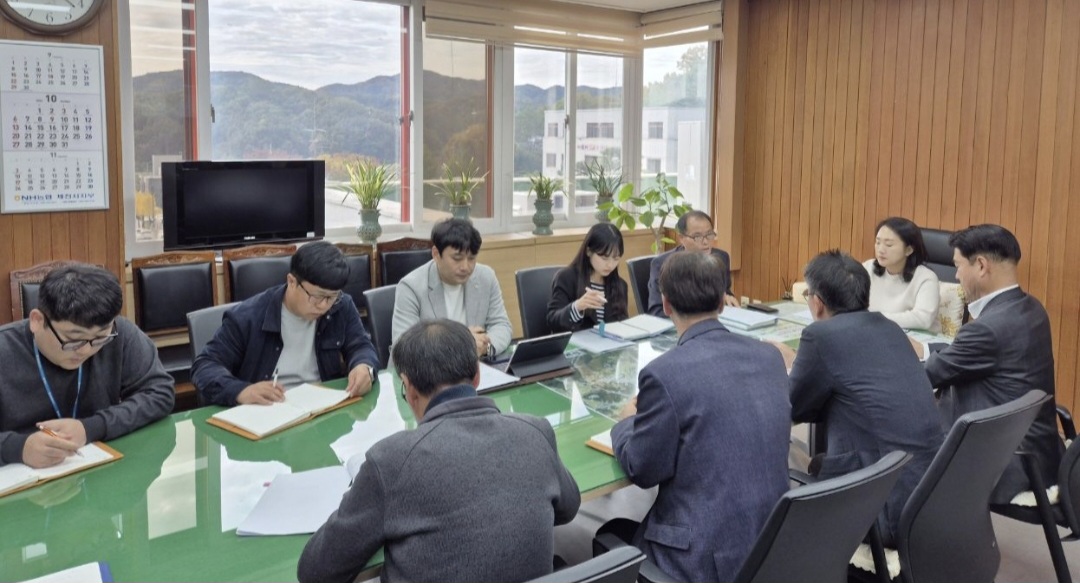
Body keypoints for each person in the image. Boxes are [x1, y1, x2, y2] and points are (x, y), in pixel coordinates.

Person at [297, 319, 580, 583]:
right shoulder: (535, 430)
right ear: (477, 376)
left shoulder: (391, 460)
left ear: (408, 388)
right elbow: (568, 508)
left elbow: (316, 571)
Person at [604, 252, 790, 582]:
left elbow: (643, 468)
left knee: (609, 533)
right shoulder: (769, 357)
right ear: (721, 302)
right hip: (771, 543)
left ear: (666, 304)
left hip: (701, 560)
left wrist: (625, 423)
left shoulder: (664, 374)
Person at [774, 250, 943, 545]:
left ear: (816, 302)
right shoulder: (891, 329)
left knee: (780, 442)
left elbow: (794, 408)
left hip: (876, 510)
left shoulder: (820, 336)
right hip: (926, 496)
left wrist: (789, 366)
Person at [912, 224, 1061, 505]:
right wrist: (929, 348)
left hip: (1003, 463)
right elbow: (976, 357)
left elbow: (925, 378)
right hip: (1035, 451)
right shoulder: (1032, 308)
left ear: (980, 265)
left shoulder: (986, 329)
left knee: (892, 447)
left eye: (957, 266)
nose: (956, 276)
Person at [0, 264, 175, 468]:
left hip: (98, 469)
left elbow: (160, 393)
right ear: (37, 321)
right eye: (73, 340)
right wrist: (18, 448)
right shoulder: (5, 350)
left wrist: (91, 428)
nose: (85, 351)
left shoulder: (120, 333)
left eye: (99, 339)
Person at [192, 241, 378, 407]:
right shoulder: (247, 317)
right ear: (291, 281)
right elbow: (205, 366)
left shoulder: (341, 306)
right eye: (316, 296)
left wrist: (364, 366)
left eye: (331, 297)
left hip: (322, 408)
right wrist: (241, 391)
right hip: (268, 412)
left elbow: (361, 346)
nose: (323, 306)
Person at [392, 218, 512, 359]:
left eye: (472, 258)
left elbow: (502, 325)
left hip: (474, 370)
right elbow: (404, 347)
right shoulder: (411, 287)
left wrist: (486, 347)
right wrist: (462, 344)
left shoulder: (486, 277)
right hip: (426, 375)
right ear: (436, 254)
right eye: (457, 258)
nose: (465, 267)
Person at [646, 210, 737, 316]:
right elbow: (656, 311)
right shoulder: (662, 264)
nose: (705, 242)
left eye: (709, 234)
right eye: (697, 237)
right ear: (682, 238)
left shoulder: (721, 258)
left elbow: (725, 292)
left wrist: (728, 298)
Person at [547, 223, 629, 333]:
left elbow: (621, 327)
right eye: (604, 258)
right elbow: (553, 321)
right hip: (575, 347)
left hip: (607, 347)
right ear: (589, 251)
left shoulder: (620, 285)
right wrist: (577, 307)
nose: (610, 265)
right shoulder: (566, 278)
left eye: (616, 258)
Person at [864, 217, 941, 331]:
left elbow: (923, 318)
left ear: (908, 250)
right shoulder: (868, 268)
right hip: (875, 332)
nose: (880, 249)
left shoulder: (925, 277)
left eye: (889, 245)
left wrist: (875, 318)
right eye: (878, 242)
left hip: (916, 340)